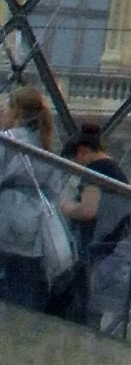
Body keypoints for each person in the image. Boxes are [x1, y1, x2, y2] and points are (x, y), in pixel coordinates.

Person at [0, 85, 75, 314]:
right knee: (23, 288)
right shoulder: (47, 144)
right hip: (35, 227)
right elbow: (54, 189)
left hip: (7, 218)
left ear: (16, 111)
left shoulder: (8, 140)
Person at [57, 117, 131, 330]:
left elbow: (88, 210)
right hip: (113, 249)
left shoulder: (96, 171)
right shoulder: (116, 171)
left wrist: (65, 207)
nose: (75, 169)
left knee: (80, 307)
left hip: (96, 249)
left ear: (82, 152)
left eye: (74, 162)